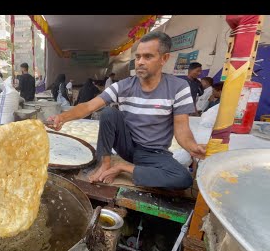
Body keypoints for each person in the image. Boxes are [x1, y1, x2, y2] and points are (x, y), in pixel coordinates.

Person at [48, 31, 205, 189]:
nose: (140, 62)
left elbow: (182, 129)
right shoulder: (123, 86)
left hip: (154, 154)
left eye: (148, 56)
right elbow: (89, 106)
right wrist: (62, 117)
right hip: (126, 146)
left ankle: (123, 168)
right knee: (109, 113)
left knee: (183, 178)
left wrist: (192, 147)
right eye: (137, 57)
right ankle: (105, 164)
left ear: (164, 58)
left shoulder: (178, 87)